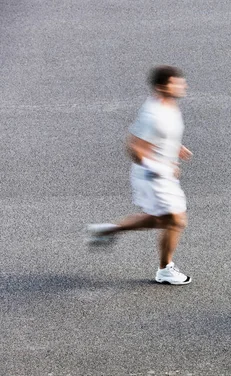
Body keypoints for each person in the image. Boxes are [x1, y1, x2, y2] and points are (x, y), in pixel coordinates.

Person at [87, 65, 193, 285]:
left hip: (160, 171)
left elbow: (163, 133)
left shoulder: (168, 104)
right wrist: (161, 166)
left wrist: (175, 147)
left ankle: (109, 230)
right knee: (176, 219)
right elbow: (134, 149)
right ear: (163, 86)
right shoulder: (153, 114)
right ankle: (165, 269)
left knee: (161, 219)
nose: (183, 86)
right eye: (177, 83)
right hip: (153, 175)